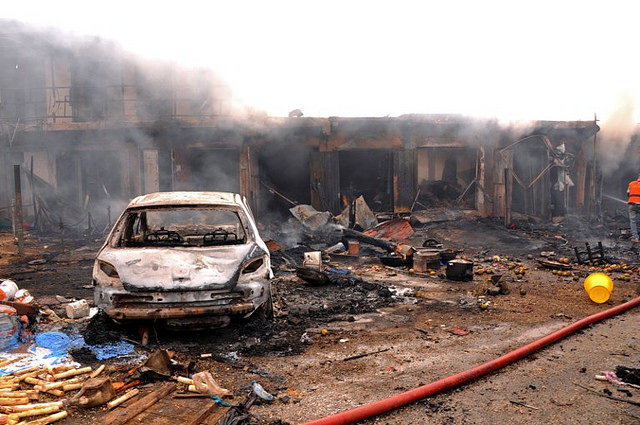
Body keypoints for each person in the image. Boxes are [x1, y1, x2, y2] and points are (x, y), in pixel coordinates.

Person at [627, 174, 640, 242]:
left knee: (633, 221)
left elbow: (628, 193)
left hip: (632, 205)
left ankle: (635, 237)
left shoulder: (631, 184)